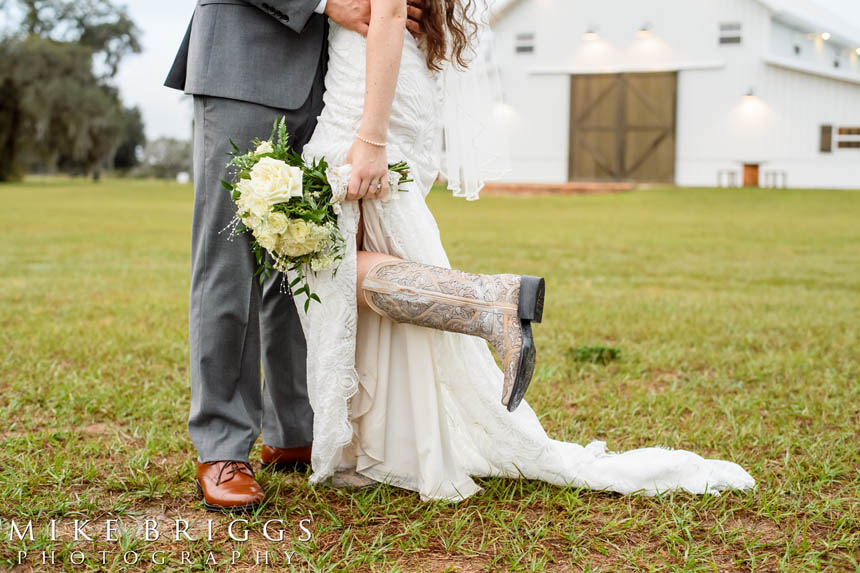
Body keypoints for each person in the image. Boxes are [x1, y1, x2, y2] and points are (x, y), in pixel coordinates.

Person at [294, 0, 756, 500]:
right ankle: (385, 441)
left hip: (365, 103)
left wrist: (371, 136)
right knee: (337, 255)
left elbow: (385, 13)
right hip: (391, 85)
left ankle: (488, 302)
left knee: (317, 254)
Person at [163, 0, 425, 512]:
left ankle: (290, 429)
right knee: (228, 258)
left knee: (300, 253)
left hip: (331, 80)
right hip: (245, 66)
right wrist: (327, 3)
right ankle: (220, 447)